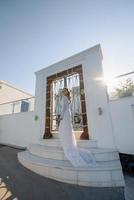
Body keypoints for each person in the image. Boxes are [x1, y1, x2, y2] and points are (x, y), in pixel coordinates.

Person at [58, 87, 96, 167]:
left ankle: (67, 144)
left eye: (65, 91)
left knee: (64, 129)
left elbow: (64, 108)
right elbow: (66, 108)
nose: (63, 92)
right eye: (63, 91)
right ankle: (68, 143)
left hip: (65, 115)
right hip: (68, 114)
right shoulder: (67, 98)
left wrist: (61, 117)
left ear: (67, 92)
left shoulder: (64, 98)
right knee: (67, 129)